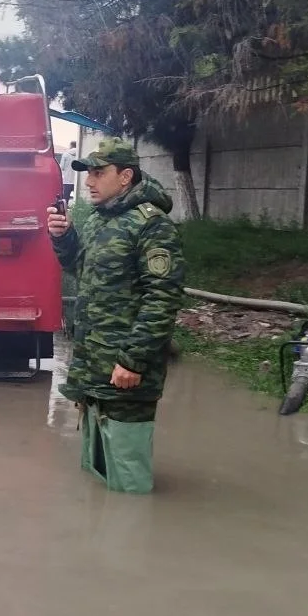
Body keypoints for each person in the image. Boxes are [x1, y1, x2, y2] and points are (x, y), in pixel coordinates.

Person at [46, 138, 185, 494]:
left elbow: (162, 297)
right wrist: (64, 238)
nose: (89, 181)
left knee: (128, 477)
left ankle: (133, 540)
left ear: (125, 177)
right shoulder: (98, 220)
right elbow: (83, 271)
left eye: (97, 172)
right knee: (97, 468)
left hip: (125, 372)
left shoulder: (151, 226)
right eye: (87, 173)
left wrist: (133, 361)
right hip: (94, 365)